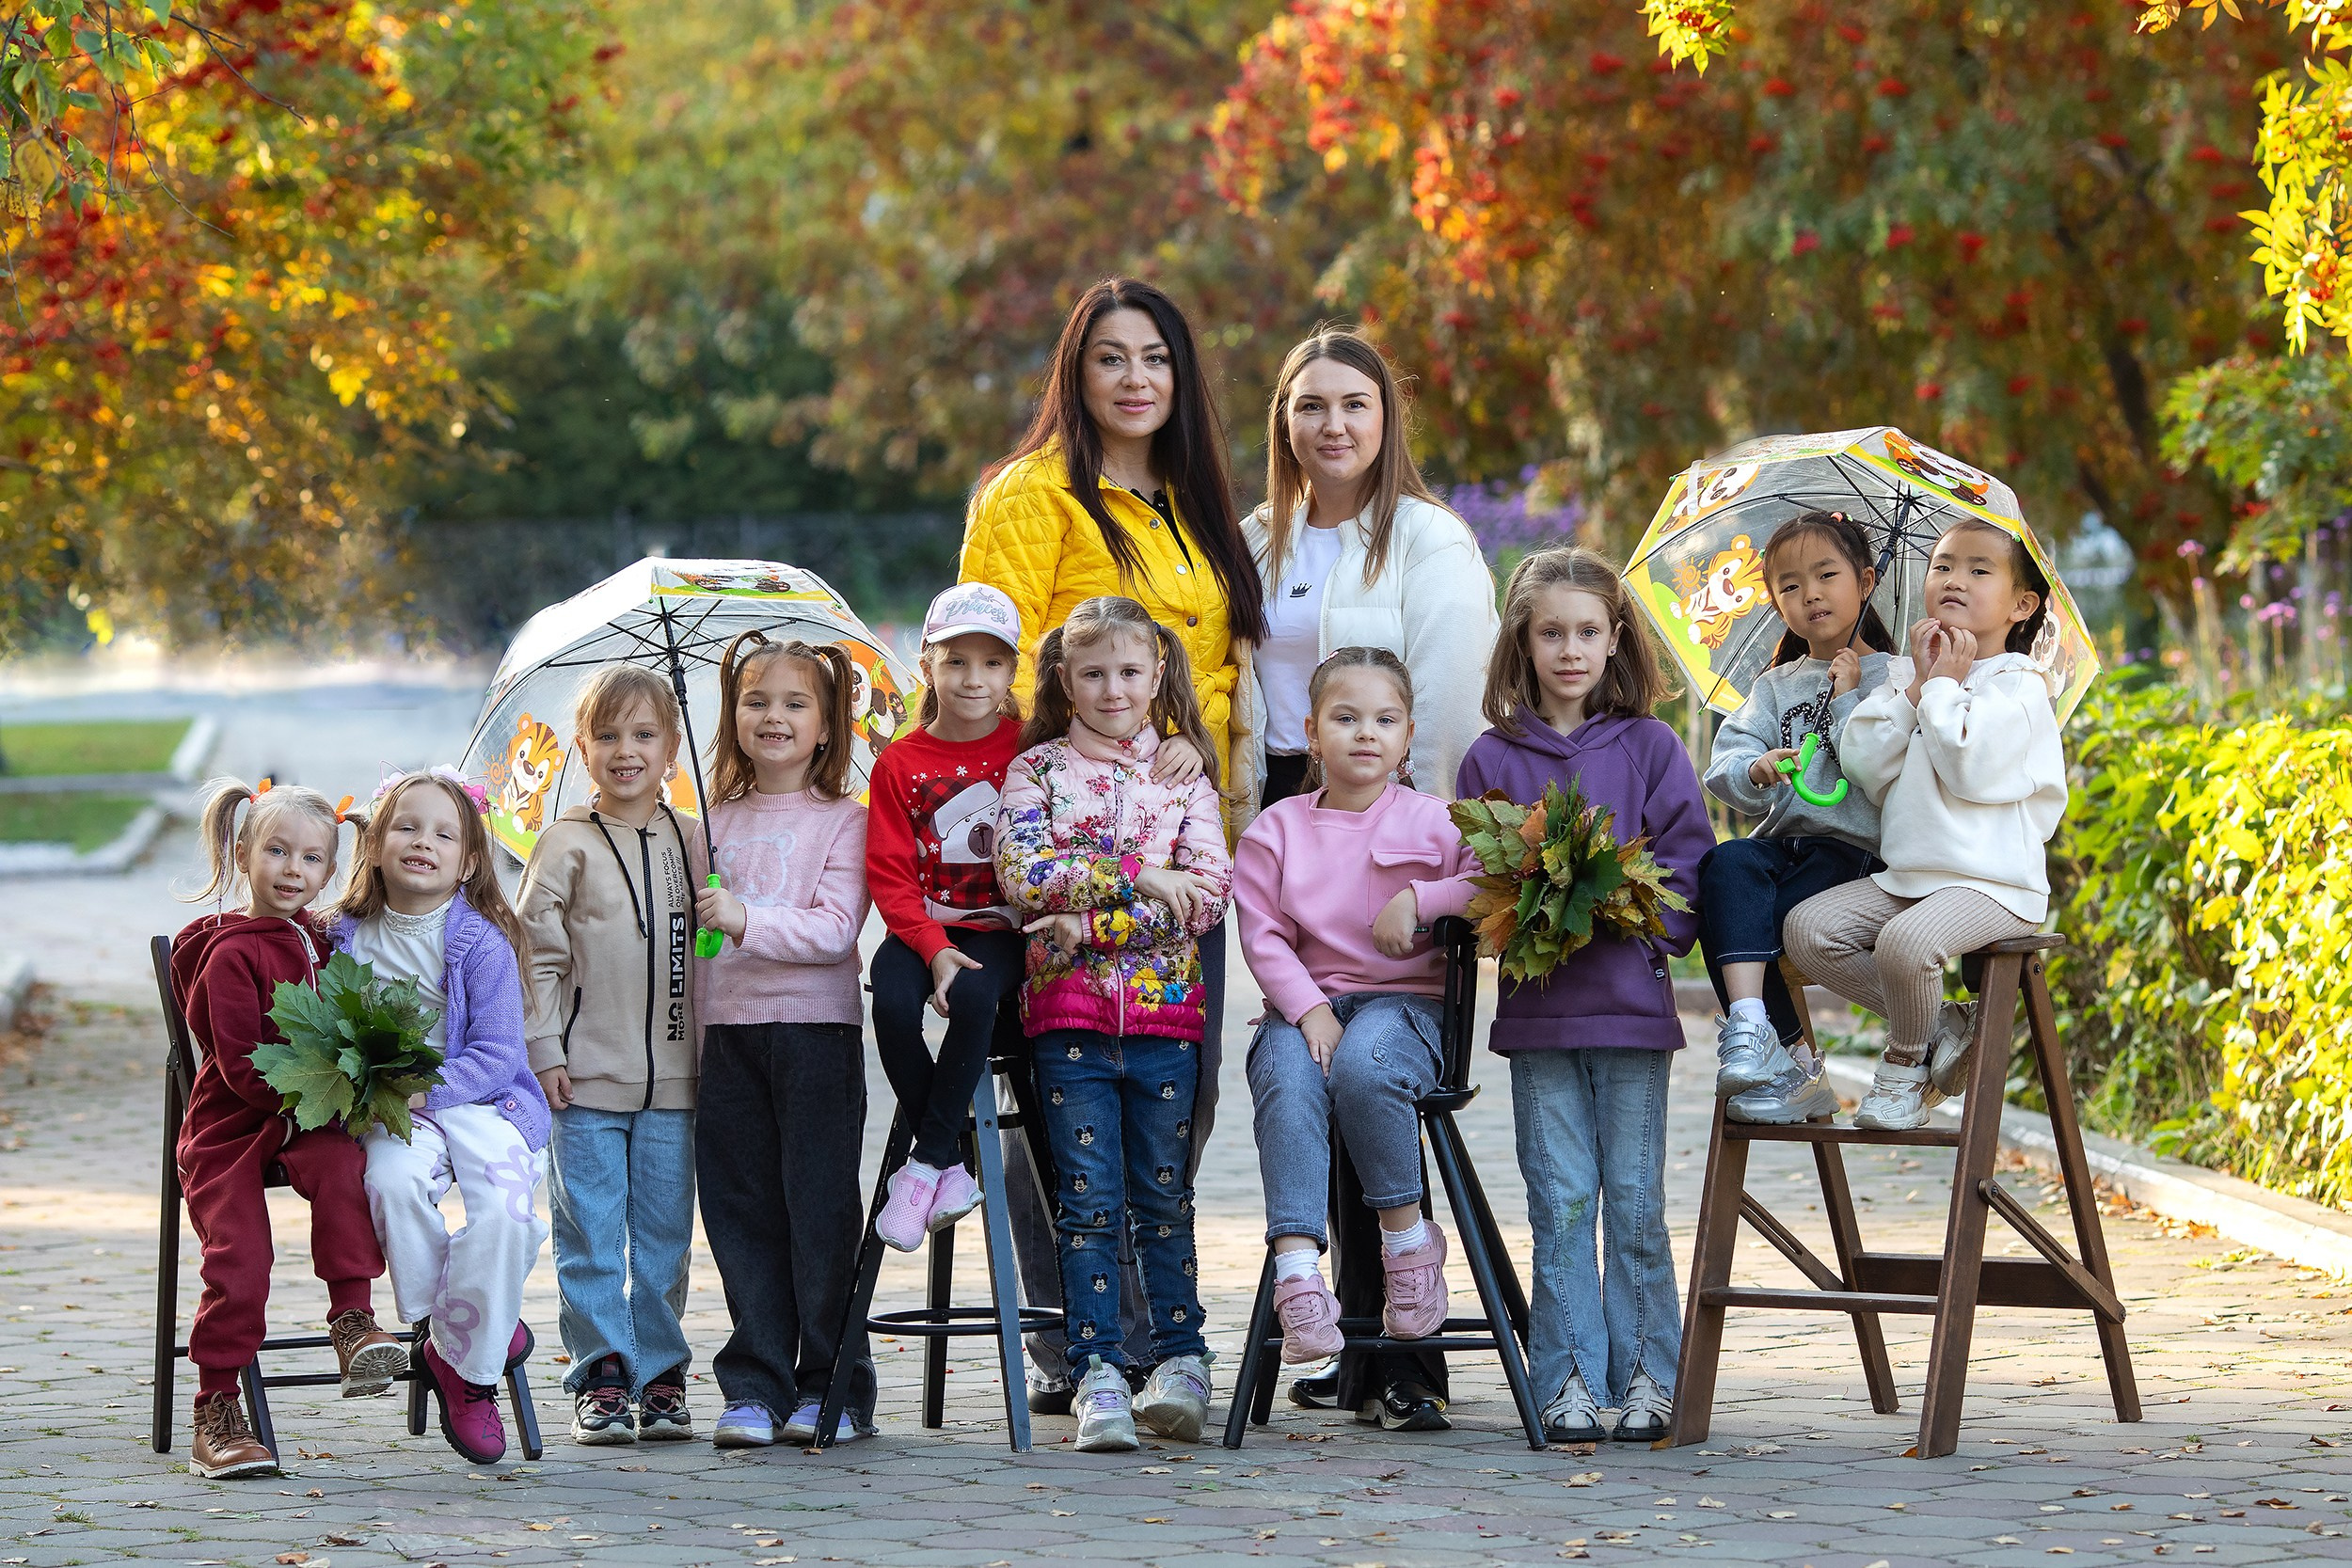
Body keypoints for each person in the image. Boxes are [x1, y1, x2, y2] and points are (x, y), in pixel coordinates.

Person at [959, 277, 1263, 1408]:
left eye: (1156, 359)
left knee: (1176, 1100)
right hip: (1071, 852)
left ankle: (1155, 1338)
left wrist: (1188, 747)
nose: (1135, 378)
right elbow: (990, 675)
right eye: (1110, 358)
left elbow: (1208, 669)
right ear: (1075, 375)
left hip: (1189, 847)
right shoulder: (1033, 495)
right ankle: (1083, 1344)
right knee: (1070, 1103)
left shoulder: (1192, 499)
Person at [1234, 324, 1498, 1431]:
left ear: (1386, 418)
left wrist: (1422, 854)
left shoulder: (1428, 542)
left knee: (1372, 1067)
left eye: (1353, 403)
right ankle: (1339, 1335)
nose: (1331, 424)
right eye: (1310, 405)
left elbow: (1443, 704)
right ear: (1283, 421)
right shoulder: (1256, 537)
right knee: (1308, 1058)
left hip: (1393, 825)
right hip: (1291, 818)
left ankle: (1406, 1359)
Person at [1458, 546, 1715, 1447]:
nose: (1570, 648)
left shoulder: (1649, 745)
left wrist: (1640, 917)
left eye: (1588, 631)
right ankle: (1566, 1374)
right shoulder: (1492, 758)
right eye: (1551, 632)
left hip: (1633, 1014)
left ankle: (1649, 1372)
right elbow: (1475, 872)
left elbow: (1690, 858)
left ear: (1616, 641)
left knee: (1634, 1196)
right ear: (1522, 644)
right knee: (1560, 1198)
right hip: (1538, 1018)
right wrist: (1521, 895)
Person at [993, 594, 1232, 1452]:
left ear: (1158, 671)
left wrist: (1091, 923)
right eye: (1092, 672)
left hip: (1167, 1019)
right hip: (1068, 1020)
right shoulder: (1039, 773)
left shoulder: (1182, 776)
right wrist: (1140, 874)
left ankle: (1180, 1361)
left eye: (1129, 671)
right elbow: (1024, 871)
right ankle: (1097, 1370)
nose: (1112, 688)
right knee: (1087, 1204)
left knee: (1164, 1198)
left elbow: (1205, 893)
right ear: (1064, 677)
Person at [1234, 648, 1481, 1375]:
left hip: (1406, 1010)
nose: (1365, 733)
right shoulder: (1276, 830)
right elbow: (1262, 934)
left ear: (1408, 736)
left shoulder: (1436, 821)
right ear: (1312, 733)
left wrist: (1423, 898)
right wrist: (1307, 1009)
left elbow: (1486, 883)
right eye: (1345, 718)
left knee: (1368, 1062)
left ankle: (1407, 1242)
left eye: (1385, 719)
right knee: (1283, 1070)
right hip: (1306, 1006)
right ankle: (1299, 1267)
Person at [1785, 518, 2066, 1132]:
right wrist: (1912, 690)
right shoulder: (1911, 675)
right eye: (1942, 566)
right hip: (1911, 876)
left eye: (1978, 569)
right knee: (1808, 929)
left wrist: (1940, 689)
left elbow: (1971, 769)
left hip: (1993, 886)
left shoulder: (2020, 688)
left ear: (2022, 604)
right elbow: (1867, 768)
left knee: (1907, 943)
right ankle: (1940, 1023)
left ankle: (1905, 1064)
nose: (1954, 579)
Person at [170, 777, 403, 1480]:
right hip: (231, 1128)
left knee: (344, 1170)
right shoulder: (230, 954)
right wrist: (327, 1097)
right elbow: (241, 1066)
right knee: (241, 1258)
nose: (291, 869)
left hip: (310, 1121)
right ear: (243, 853)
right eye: (276, 850)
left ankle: (353, 1320)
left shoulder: (324, 942)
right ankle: (216, 1404)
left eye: (309, 858)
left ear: (329, 871)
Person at [690, 632, 874, 1449]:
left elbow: (836, 932)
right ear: (732, 717)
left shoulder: (845, 822)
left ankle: (834, 1386)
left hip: (815, 1033)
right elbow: (698, 955)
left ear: (827, 725)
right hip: (729, 1039)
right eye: (756, 700)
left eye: (796, 703)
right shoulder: (708, 823)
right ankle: (754, 1383)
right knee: (741, 1210)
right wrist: (707, 925)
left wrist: (744, 917)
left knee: (820, 1209)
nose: (774, 716)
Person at [334, 767, 548, 1465]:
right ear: (373, 843)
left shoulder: (479, 939)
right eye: (407, 826)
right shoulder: (341, 934)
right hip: (399, 1115)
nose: (424, 841)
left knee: (509, 1212)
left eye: (444, 833)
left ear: (469, 861)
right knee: (390, 1182)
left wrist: (426, 1088)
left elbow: (497, 1052)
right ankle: (465, 1334)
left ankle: (466, 1366)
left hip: (483, 1104)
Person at [517, 664, 707, 1447]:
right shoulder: (564, 843)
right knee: (591, 1229)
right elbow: (537, 953)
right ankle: (601, 1371)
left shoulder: (695, 838)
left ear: (670, 749)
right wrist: (544, 1043)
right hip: (586, 1076)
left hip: (678, 1078)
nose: (625, 750)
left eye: (644, 734)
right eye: (607, 735)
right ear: (584, 749)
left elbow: (715, 943)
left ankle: (660, 1373)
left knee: (664, 1234)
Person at [1697, 511, 1898, 1124]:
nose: (1809, 594)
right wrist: (1756, 769)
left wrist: (1848, 702)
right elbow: (1727, 761)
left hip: (1856, 854)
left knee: (1765, 923)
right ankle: (1765, 1040)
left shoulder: (1901, 676)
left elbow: (1885, 774)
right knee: (1723, 871)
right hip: (1787, 846)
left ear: (1865, 581)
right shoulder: (1774, 685)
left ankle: (1794, 1063)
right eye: (1788, 585)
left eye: (1826, 575)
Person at [865, 584, 1028, 1256]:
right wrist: (930, 947)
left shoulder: (1031, 747)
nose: (973, 677)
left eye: (992, 663)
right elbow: (890, 875)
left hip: (1005, 933)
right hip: (924, 927)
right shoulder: (899, 762)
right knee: (892, 998)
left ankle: (928, 1162)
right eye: (956, 661)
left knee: (976, 995)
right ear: (927, 664)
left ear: (1012, 672)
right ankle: (955, 1170)